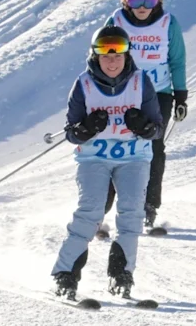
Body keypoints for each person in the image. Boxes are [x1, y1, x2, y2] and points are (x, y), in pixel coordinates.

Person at [51, 24, 163, 301]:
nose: (112, 61)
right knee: (89, 213)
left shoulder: (140, 81)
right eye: (105, 55)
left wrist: (144, 127)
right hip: (94, 158)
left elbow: (157, 128)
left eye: (117, 55)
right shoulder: (84, 84)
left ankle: (121, 275)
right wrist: (85, 129)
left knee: (131, 214)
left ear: (127, 55)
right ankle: (65, 276)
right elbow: (70, 131)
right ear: (95, 56)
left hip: (134, 157)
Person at [113, 0, 188, 233]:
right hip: (122, 93)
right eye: (135, 0)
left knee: (153, 147)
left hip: (159, 94)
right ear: (126, 0)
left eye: (149, 0)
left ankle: (149, 206)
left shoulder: (168, 23)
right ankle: (108, 209)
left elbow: (177, 60)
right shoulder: (117, 21)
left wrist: (181, 94)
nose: (142, 7)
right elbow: (99, 53)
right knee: (117, 146)